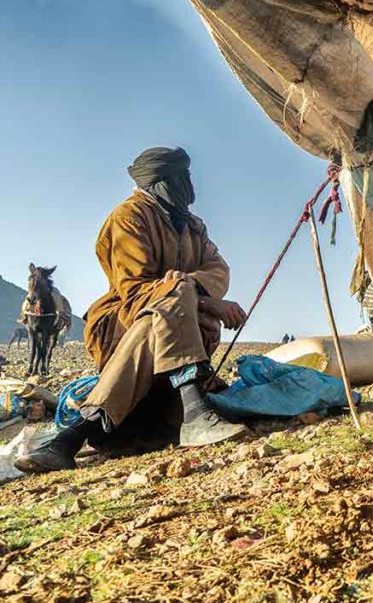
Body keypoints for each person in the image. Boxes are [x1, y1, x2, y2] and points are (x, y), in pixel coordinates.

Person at [16, 147, 248, 473]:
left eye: (188, 176)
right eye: (180, 178)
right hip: (121, 322)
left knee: (169, 304)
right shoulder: (128, 218)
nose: (188, 185)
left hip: (171, 330)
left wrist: (189, 293)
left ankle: (69, 439)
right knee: (169, 299)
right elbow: (136, 289)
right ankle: (194, 410)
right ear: (158, 182)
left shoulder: (194, 226)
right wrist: (205, 300)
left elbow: (218, 269)